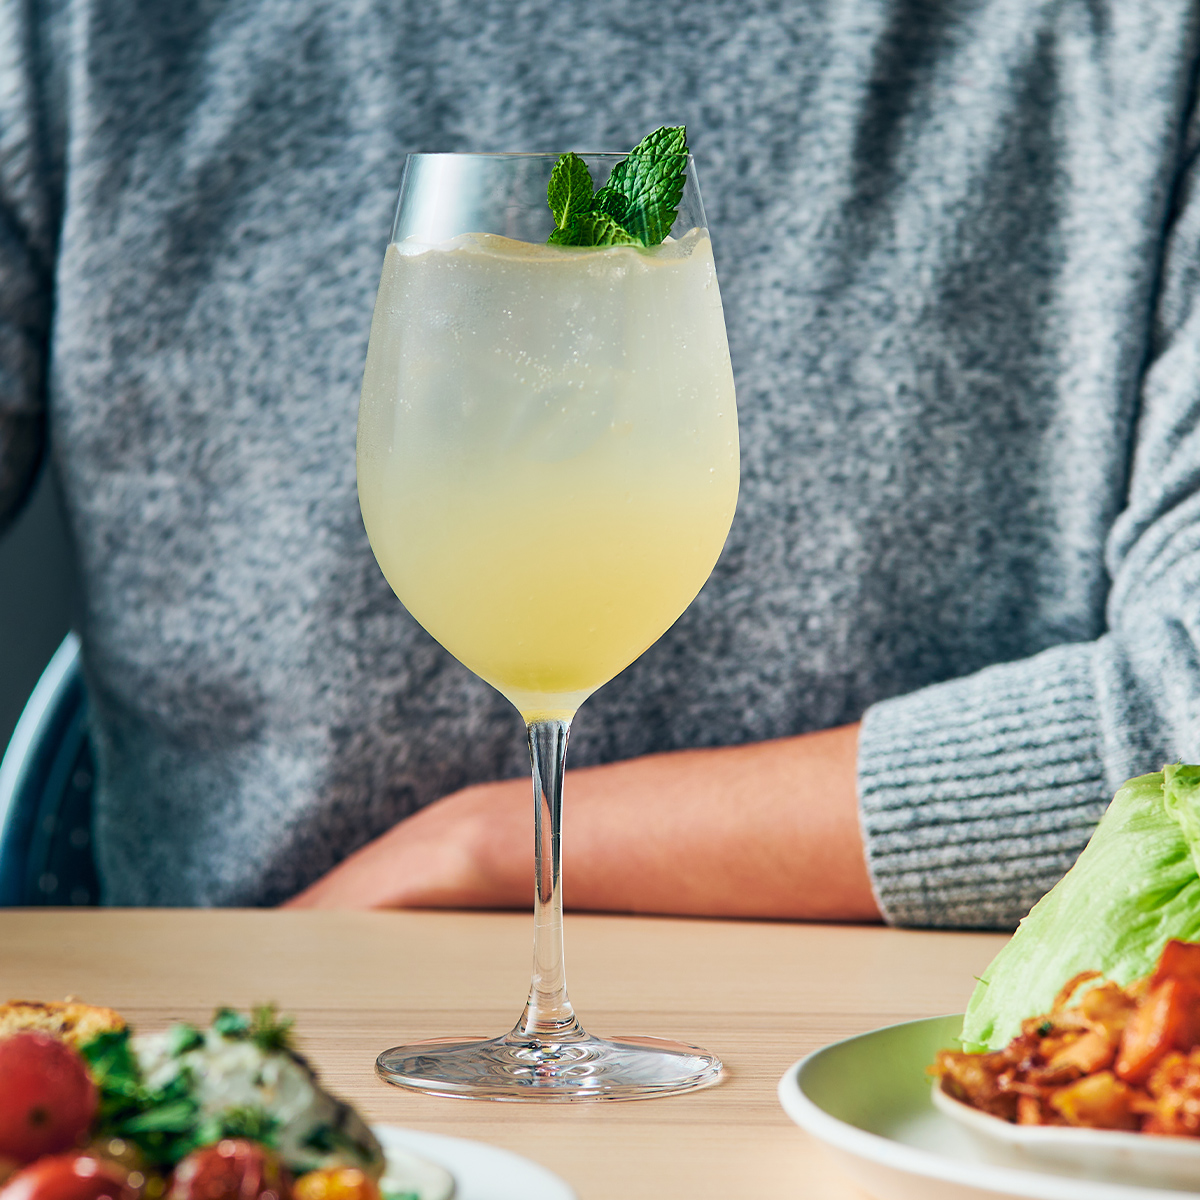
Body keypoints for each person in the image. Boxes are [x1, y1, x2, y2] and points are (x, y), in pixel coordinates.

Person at [1, 0, 1197, 926]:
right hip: (266, 1073)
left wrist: (477, 851)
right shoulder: (86, 30)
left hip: (922, 1090)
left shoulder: (1143, 43)